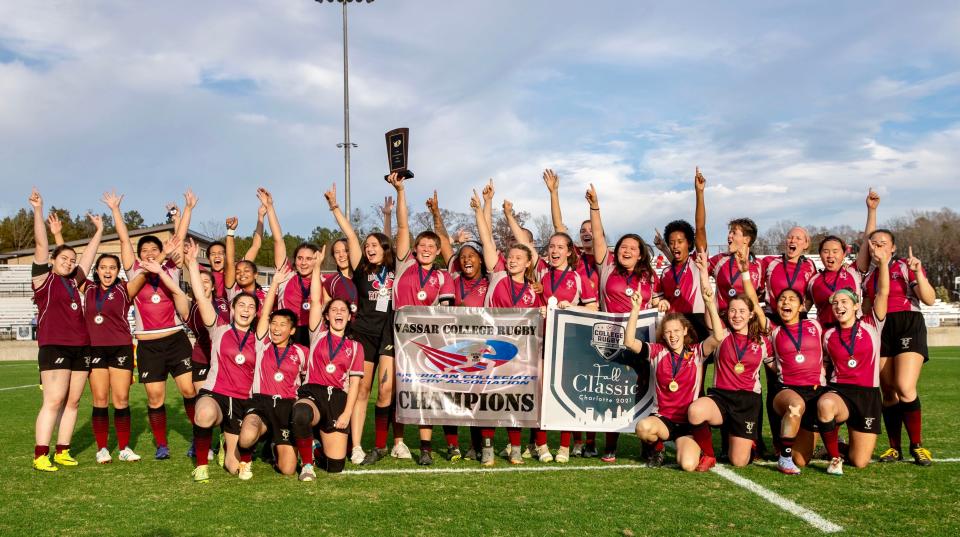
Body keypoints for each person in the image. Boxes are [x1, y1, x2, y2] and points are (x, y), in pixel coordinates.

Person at [104, 189, 197, 460]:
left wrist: (186, 210)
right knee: (155, 398)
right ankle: (161, 445)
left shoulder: (171, 269)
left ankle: (197, 437)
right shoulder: (135, 273)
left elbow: (178, 238)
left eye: (153, 250)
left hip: (176, 340)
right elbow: (123, 238)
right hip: (147, 344)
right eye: (143, 251)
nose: (148, 253)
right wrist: (115, 211)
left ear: (162, 252)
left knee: (189, 390)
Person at [325, 179, 406, 465]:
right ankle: (357, 445)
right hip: (362, 333)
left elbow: (398, 234)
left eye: (375, 245)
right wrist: (335, 208)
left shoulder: (396, 268)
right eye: (366, 245)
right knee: (361, 389)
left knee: (386, 389)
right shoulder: (361, 269)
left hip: (388, 333)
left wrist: (392, 208)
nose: (369, 248)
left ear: (384, 249)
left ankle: (387, 444)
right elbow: (350, 234)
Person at [586, 183, 667, 463]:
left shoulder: (650, 277)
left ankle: (649, 444)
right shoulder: (606, 266)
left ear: (642, 254)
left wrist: (661, 304)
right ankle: (610, 443)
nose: (627, 250)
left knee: (643, 390)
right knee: (612, 391)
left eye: (633, 247)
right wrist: (595, 207)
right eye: (623, 246)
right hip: (611, 339)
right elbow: (598, 237)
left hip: (642, 341)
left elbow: (657, 302)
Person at [856, 190, 936, 466]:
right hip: (879, 327)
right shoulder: (867, 274)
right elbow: (866, 303)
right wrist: (872, 210)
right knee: (887, 391)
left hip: (907, 324)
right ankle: (894, 448)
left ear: (893, 249)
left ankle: (917, 445)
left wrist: (917, 273)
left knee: (904, 385)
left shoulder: (904, 266)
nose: (877, 246)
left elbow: (929, 299)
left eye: (883, 243)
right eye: (873, 243)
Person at [29, 189, 104, 471]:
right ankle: (40, 455)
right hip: (55, 346)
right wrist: (38, 209)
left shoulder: (74, 281)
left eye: (72, 260)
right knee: (54, 400)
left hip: (81, 346)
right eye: (64, 259)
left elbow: (89, 257)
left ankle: (62, 450)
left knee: (72, 402)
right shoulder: (44, 280)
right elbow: (40, 243)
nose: (70, 263)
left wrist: (99, 231)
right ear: (53, 260)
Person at [473, 189, 542, 465]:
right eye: (510, 256)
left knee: (516, 396)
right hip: (491, 345)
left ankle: (515, 449)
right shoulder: (498, 274)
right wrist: (481, 209)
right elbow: (487, 239)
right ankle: (488, 447)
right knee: (489, 396)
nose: (512, 259)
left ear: (528, 263)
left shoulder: (535, 289)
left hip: (521, 352)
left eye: (518, 257)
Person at [809, 244, 891, 475]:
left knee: (860, 461)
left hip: (867, 395)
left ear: (856, 306)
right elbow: (824, 365)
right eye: (835, 304)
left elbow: (883, 293)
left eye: (844, 302)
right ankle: (835, 457)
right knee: (825, 404)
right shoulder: (828, 335)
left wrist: (883, 264)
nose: (839, 306)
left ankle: (842, 446)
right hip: (840, 392)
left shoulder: (872, 325)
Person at [687, 250, 772, 471]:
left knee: (739, 461)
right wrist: (704, 272)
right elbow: (708, 303)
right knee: (696, 411)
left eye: (742, 311)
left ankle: (749, 442)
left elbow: (774, 366)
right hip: (722, 397)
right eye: (733, 311)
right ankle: (709, 455)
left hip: (747, 402)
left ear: (751, 314)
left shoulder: (762, 339)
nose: (736, 315)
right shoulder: (721, 334)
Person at [184, 239, 259, 482]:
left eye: (251, 306)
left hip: (242, 402)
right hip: (216, 394)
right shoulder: (220, 328)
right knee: (203, 413)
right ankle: (201, 465)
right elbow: (202, 298)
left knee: (233, 466)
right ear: (233, 309)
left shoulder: (260, 338)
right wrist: (192, 264)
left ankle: (233, 451)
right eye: (241, 305)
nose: (246, 309)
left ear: (255, 312)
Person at [392, 190, 455, 465]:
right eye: (422, 245)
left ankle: (426, 447)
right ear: (415, 249)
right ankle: (397, 443)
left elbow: (447, 312)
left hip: (428, 340)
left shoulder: (443, 276)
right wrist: (401, 191)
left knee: (426, 390)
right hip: (398, 336)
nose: (427, 249)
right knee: (396, 389)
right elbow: (403, 225)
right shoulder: (404, 264)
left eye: (432, 246)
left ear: (439, 251)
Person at [624, 292, 717, 470]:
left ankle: (690, 445)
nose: (672, 336)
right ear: (663, 335)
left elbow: (718, 337)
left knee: (688, 465)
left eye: (676, 331)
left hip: (688, 422)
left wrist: (710, 304)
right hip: (664, 419)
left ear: (685, 331)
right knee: (643, 427)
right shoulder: (657, 351)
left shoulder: (697, 352)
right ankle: (657, 449)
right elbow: (629, 342)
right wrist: (635, 309)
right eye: (668, 332)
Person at [236, 263, 310, 480]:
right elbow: (265, 312)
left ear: (293, 330)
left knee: (287, 469)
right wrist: (275, 283)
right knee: (247, 436)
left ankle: (275, 445)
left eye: (282, 325)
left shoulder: (302, 352)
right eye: (274, 324)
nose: (276, 329)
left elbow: (307, 379)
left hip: (286, 407)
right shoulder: (262, 343)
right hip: (261, 402)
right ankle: (245, 461)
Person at [537, 231, 598, 462]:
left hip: (569, 342)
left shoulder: (579, 278)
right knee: (541, 391)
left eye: (560, 247)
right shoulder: (540, 276)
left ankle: (564, 446)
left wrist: (571, 308)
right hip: (542, 341)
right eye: (552, 246)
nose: (554, 251)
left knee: (565, 391)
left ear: (569, 251)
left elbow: (594, 309)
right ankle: (540, 444)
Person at [292, 294, 365, 481]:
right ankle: (307, 465)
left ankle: (314, 445)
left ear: (349, 316)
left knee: (335, 467)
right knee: (301, 413)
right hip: (313, 392)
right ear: (326, 316)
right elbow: (315, 300)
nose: (338, 313)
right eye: (334, 310)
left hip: (338, 399)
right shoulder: (317, 334)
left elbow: (355, 384)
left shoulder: (356, 347)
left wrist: (347, 414)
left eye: (343, 310)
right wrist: (317, 265)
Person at [83, 251, 147, 464]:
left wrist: (163, 253)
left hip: (121, 348)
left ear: (118, 271)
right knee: (100, 399)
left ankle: (124, 448)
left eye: (112, 267)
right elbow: (74, 270)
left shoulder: (124, 289)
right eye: (103, 267)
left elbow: (146, 271)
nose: (107, 271)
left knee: (121, 399)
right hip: (95, 350)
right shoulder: (89, 288)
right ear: (97, 270)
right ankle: (102, 449)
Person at [755, 288, 825, 475]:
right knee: (795, 406)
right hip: (786, 390)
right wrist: (745, 272)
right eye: (782, 299)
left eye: (792, 299)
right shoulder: (774, 331)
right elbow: (755, 304)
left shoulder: (815, 326)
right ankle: (784, 459)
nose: (786, 302)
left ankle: (830, 443)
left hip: (815, 391)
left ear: (802, 306)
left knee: (801, 460)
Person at [261, 190, 320, 347]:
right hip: (288, 332)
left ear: (317, 259)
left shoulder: (322, 281)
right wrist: (270, 207)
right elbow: (278, 240)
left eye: (309, 259)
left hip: (314, 333)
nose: (304, 262)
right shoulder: (286, 274)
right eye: (300, 258)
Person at [806, 235, 861, 327]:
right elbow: (804, 308)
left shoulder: (853, 271)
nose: (830, 255)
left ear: (844, 254)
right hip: (826, 334)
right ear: (820, 255)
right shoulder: (813, 281)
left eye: (835, 251)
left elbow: (867, 245)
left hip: (853, 334)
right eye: (826, 251)